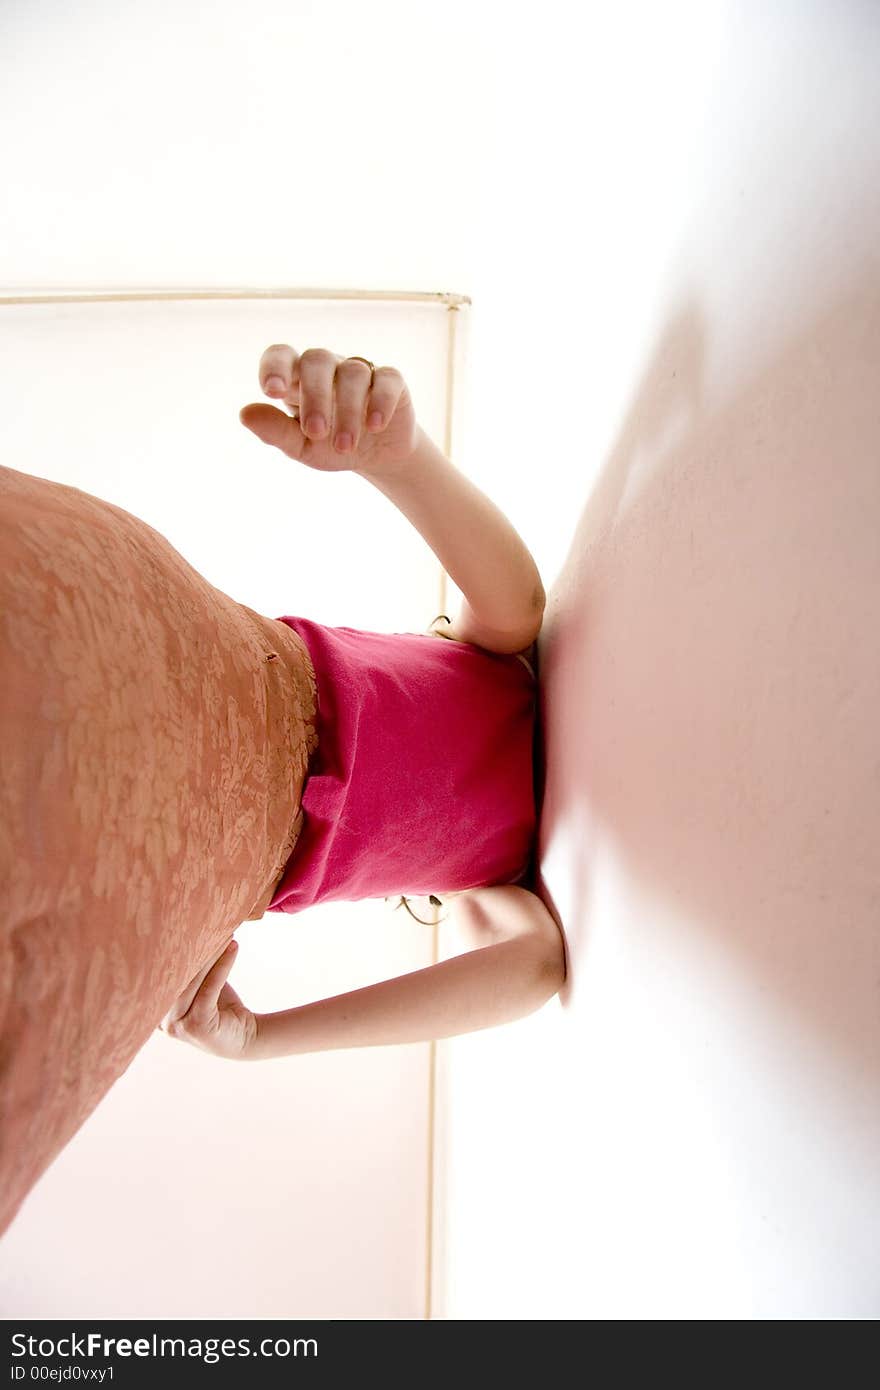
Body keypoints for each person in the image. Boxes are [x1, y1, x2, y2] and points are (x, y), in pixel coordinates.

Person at [0, 341, 565, 1235]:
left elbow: (534, 971)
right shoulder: (490, 660)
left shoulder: (489, 897)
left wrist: (260, 1039)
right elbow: (518, 603)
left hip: (219, 851)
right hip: (206, 662)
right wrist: (398, 458)